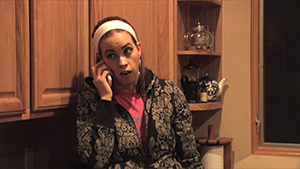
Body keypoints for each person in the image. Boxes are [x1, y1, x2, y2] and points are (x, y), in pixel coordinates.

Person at [76, 16, 204, 169]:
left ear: (138, 49)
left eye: (127, 51)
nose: (122, 62)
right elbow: (95, 162)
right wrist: (105, 100)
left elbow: (190, 158)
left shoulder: (168, 92)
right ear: (101, 60)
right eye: (111, 55)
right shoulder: (90, 98)